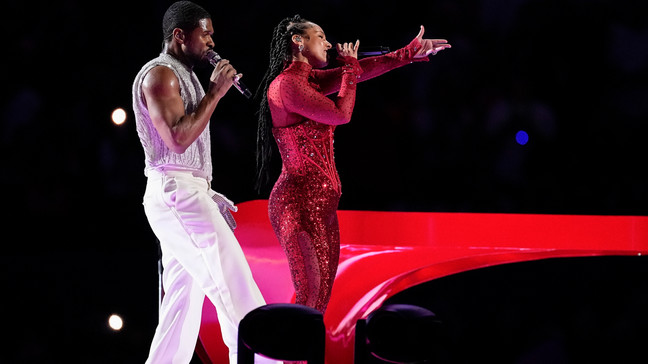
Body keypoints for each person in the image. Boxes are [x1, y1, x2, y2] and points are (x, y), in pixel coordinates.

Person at [255, 15, 451, 313]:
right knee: (308, 297)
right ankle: (280, 358)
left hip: (324, 206)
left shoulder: (309, 80)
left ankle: (301, 359)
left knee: (319, 301)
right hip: (297, 204)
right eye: (320, 36)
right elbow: (341, 114)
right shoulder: (286, 86)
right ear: (298, 41)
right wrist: (348, 66)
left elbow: (360, 72)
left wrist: (407, 54)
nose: (329, 43)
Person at [132, 2, 278, 363]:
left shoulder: (184, 74)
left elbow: (184, 152)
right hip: (175, 194)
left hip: (184, 191)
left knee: (181, 305)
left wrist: (206, 190)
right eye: (206, 32)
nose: (212, 40)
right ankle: (265, 358)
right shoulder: (160, 75)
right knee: (234, 284)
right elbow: (177, 139)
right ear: (180, 35)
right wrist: (215, 94)